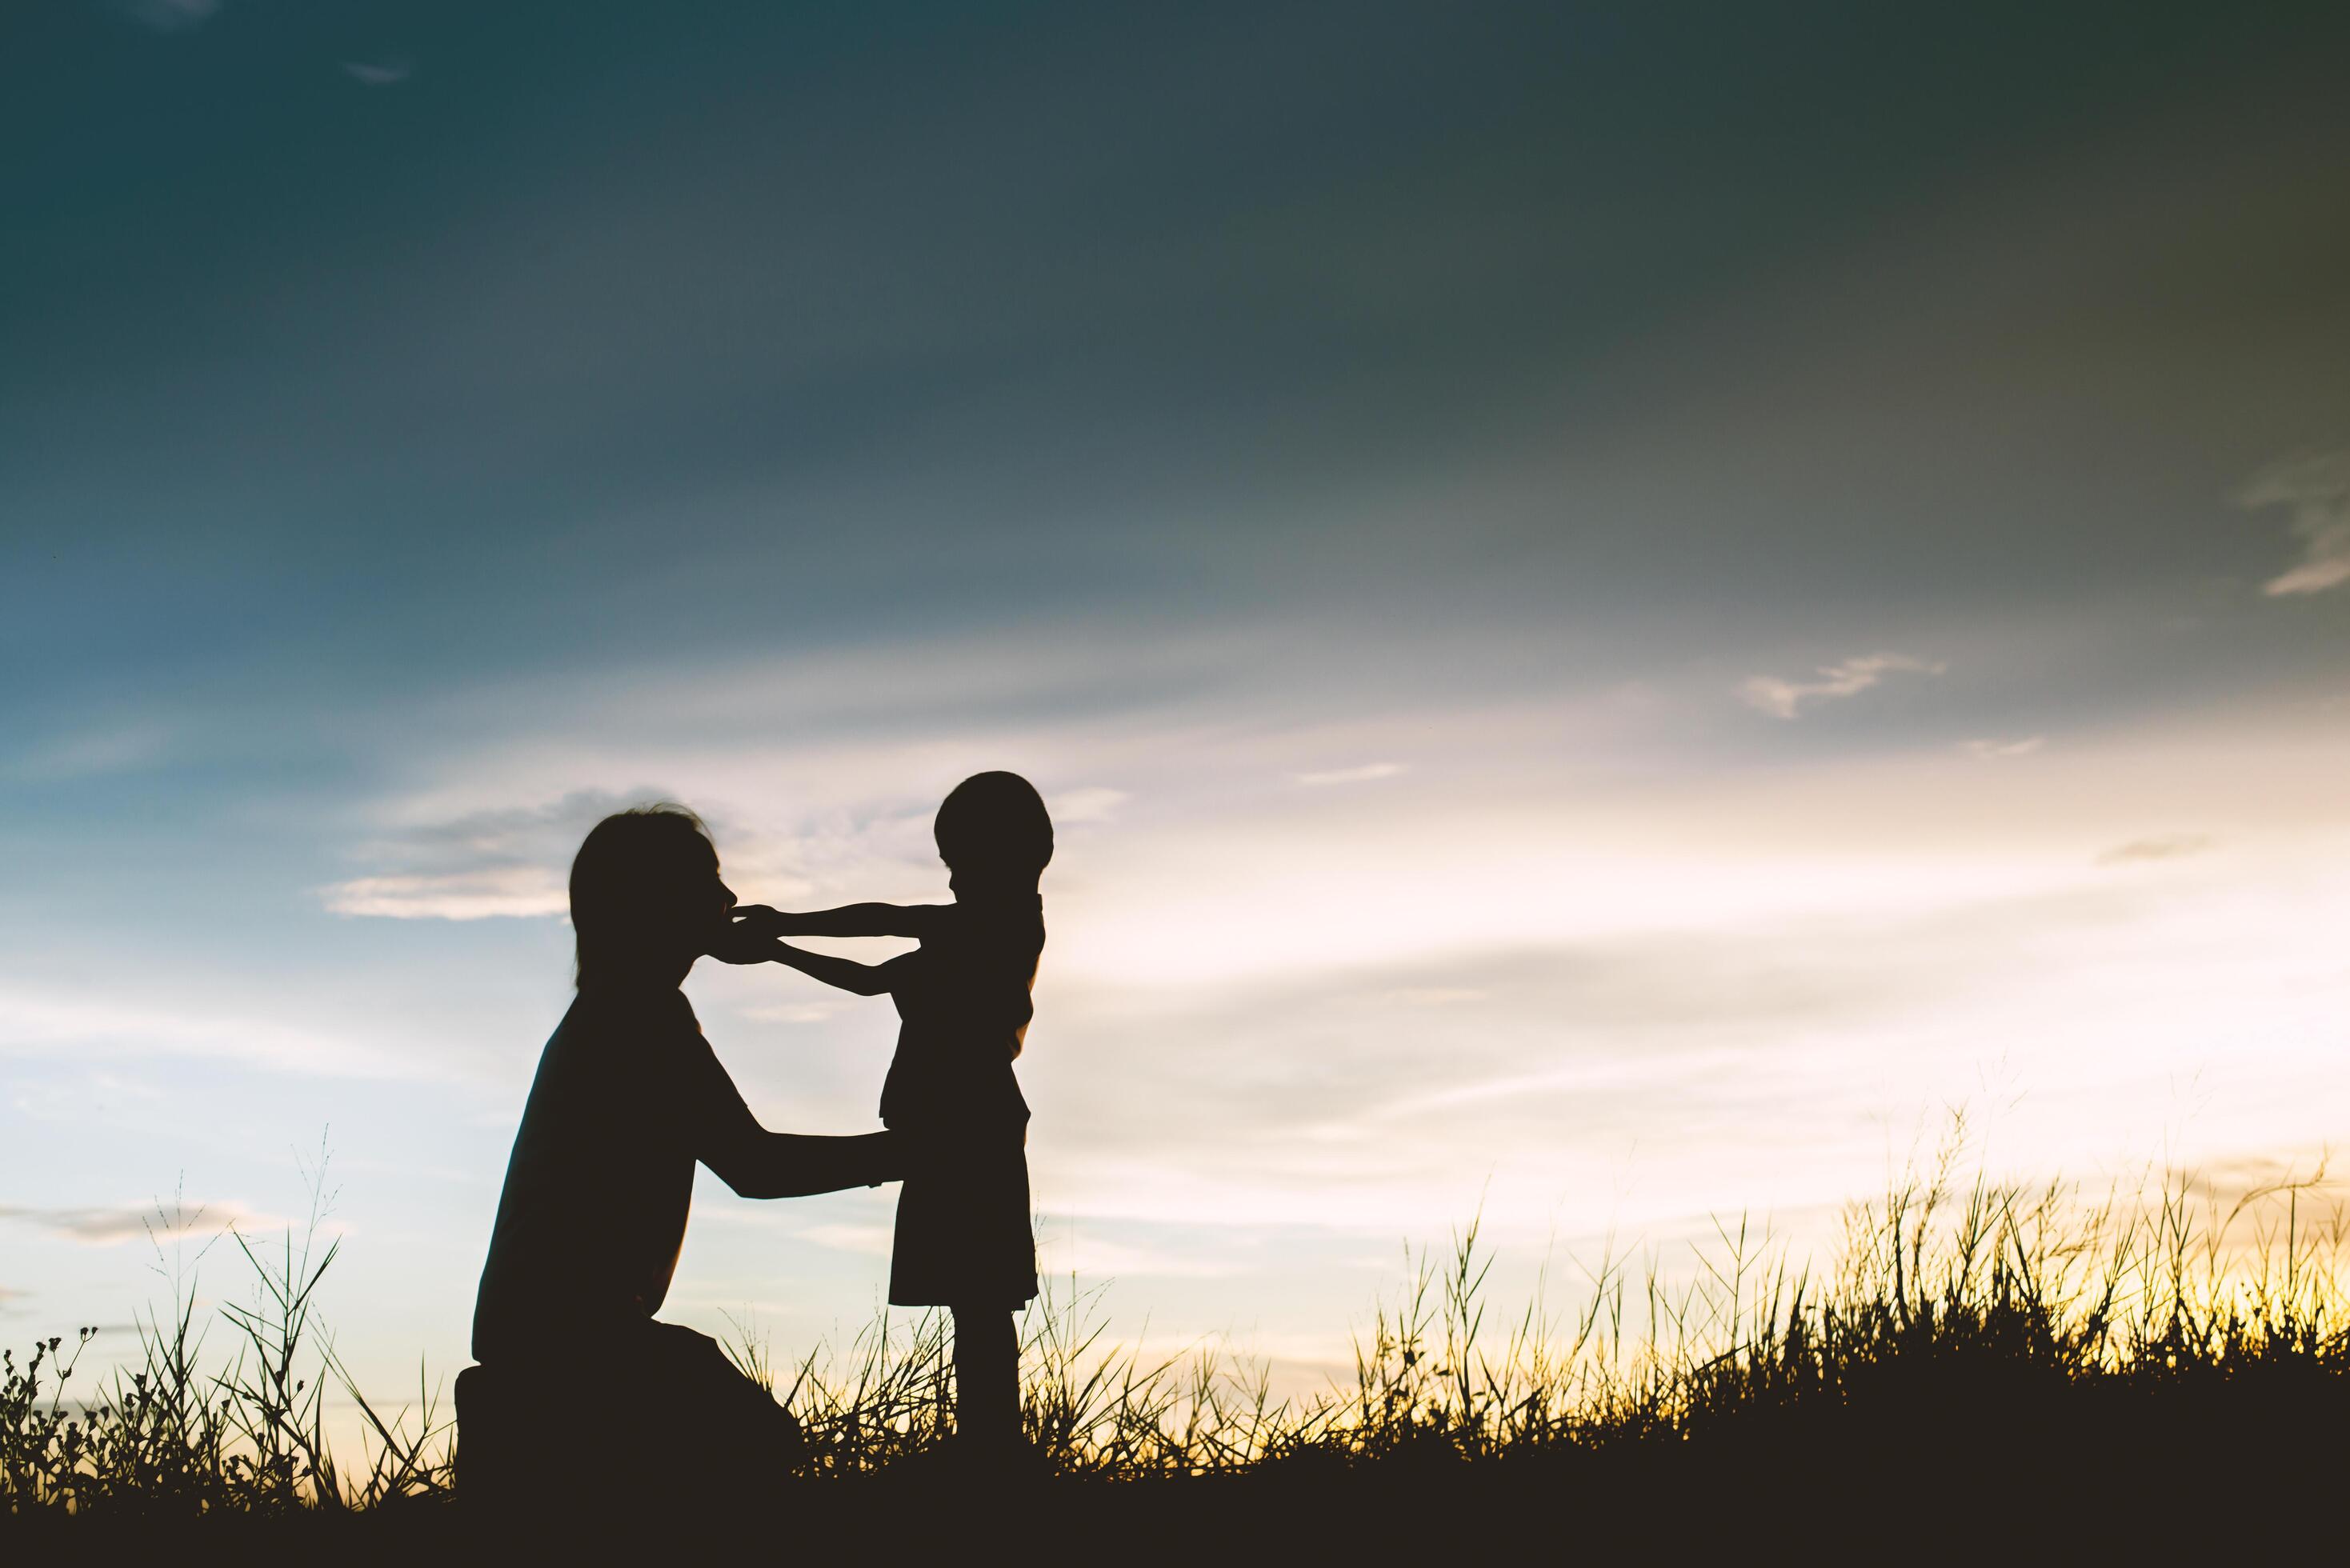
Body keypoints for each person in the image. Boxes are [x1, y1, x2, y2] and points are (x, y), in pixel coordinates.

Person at [460, 804, 902, 1511]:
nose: (729, 901)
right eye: (710, 884)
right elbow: (754, 1166)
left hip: (548, 1333)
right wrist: (911, 1152)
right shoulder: (641, 1015)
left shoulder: (612, 1009)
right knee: (765, 1459)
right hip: (577, 1341)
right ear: (656, 902)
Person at [731, 771, 1052, 1458]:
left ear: (1018, 857)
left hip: (975, 1128)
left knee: (982, 1301)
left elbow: (886, 918)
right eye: (950, 866)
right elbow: (869, 978)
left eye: (963, 862)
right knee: (974, 1301)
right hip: (948, 1127)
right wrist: (778, 949)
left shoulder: (1002, 923)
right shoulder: (961, 941)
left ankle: (993, 1456)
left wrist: (785, 924)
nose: (955, 879)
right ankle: (986, 1451)